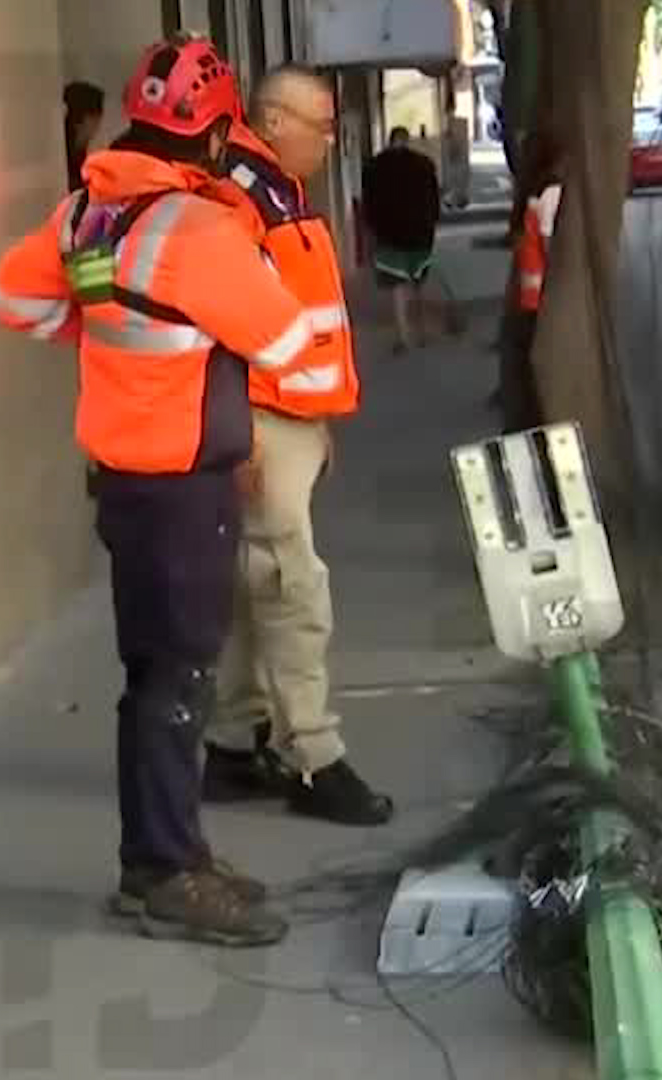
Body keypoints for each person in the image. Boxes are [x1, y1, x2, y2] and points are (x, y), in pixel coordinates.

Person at [0, 34, 315, 947]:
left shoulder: (86, 217)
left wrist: (100, 331)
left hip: (126, 488)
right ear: (213, 138)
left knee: (154, 675)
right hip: (182, 490)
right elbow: (285, 341)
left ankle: (158, 859)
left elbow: (13, 301)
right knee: (180, 680)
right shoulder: (197, 231)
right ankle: (168, 872)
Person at [195, 65, 396, 828]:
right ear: (275, 121)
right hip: (259, 424)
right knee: (291, 588)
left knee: (258, 586)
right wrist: (240, 433)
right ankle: (314, 756)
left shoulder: (273, 188)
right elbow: (216, 331)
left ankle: (235, 744)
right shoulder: (237, 197)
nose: (330, 139)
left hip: (288, 422)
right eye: (320, 125)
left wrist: (315, 423)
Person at [496, 130, 562, 434]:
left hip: (529, 291)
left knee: (526, 355)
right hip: (542, 293)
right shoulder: (552, 191)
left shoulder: (532, 190)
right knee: (539, 360)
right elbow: (548, 240)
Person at [361, 125, 444, 352]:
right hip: (420, 233)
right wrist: (432, 225)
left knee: (396, 285)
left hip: (389, 234)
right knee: (418, 283)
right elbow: (434, 200)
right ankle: (423, 332)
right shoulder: (425, 164)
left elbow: (369, 204)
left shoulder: (374, 167)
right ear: (407, 141)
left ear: (390, 140)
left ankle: (403, 335)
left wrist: (371, 231)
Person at [62, 80, 105, 193]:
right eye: (97, 117)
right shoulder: (67, 158)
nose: (99, 123)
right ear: (88, 118)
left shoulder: (72, 151)